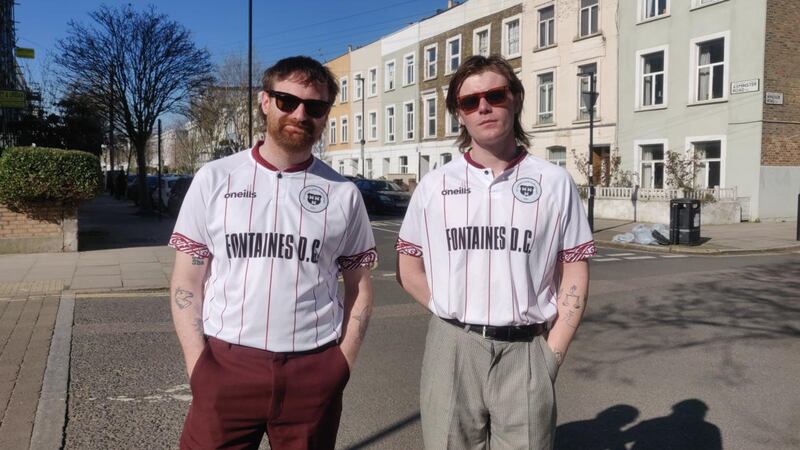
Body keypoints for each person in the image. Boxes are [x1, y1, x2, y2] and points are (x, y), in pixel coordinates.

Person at [169, 55, 376, 450]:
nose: (300, 114)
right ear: (265, 102)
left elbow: (360, 286)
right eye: (287, 101)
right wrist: (198, 364)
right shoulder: (214, 179)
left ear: (325, 115)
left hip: (313, 368)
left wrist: (341, 364)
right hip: (226, 363)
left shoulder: (344, 193)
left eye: (315, 107)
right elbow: (187, 279)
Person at [395, 55, 595, 450]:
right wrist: (449, 312)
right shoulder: (435, 185)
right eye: (469, 102)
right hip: (452, 346)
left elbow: (574, 269)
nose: (483, 107)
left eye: (494, 95)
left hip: (526, 349)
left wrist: (552, 354)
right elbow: (408, 265)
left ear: (516, 99)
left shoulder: (553, 182)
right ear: (460, 115)